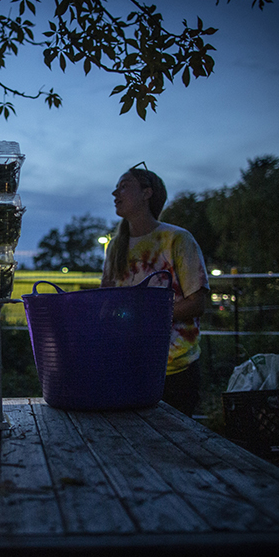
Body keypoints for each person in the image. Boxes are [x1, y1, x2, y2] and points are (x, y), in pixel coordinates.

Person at [101, 166, 209, 416]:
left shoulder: (177, 239)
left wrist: (144, 317)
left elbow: (197, 303)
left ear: (147, 193)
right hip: (128, 366)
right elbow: (106, 302)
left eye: (125, 185)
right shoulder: (115, 248)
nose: (115, 192)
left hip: (175, 369)